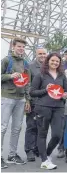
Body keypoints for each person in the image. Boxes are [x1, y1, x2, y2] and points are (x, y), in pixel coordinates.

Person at [30, 53, 67, 169]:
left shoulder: (62, 75)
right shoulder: (40, 75)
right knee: (42, 134)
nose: (55, 63)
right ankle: (44, 161)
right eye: (53, 60)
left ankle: (46, 154)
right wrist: (45, 90)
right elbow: (32, 92)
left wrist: (66, 94)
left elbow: (66, 90)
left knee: (58, 134)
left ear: (60, 63)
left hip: (58, 108)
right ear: (48, 61)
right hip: (43, 107)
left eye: (57, 61)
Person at [1, 37, 30, 168]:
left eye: (23, 47)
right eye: (19, 46)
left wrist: (28, 99)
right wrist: (9, 76)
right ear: (13, 46)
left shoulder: (25, 63)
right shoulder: (7, 60)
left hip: (21, 98)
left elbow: (28, 83)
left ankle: (12, 155)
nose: (21, 49)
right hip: (7, 97)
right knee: (3, 127)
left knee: (17, 128)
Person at [25, 47, 47, 162]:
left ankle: (38, 148)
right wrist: (27, 100)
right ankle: (29, 150)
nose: (42, 56)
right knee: (31, 126)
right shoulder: (30, 66)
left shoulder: (48, 67)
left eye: (44, 54)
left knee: (41, 127)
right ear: (36, 54)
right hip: (34, 101)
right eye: (40, 54)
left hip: (45, 103)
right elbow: (27, 84)